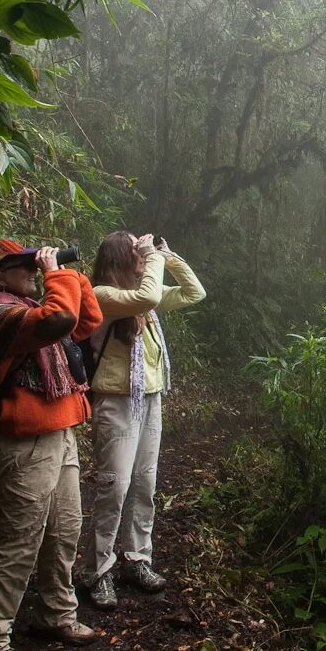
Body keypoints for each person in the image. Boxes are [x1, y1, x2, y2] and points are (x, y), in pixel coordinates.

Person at [0, 239, 104, 651]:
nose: (30, 270)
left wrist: (71, 274)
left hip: (60, 433)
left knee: (65, 529)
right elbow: (59, 319)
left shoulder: (27, 309)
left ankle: (55, 613)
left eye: (31, 263)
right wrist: (54, 277)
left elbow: (86, 322)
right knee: (19, 540)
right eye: (20, 266)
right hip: (25, 443)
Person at [80, 231, 206, 609]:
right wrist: (152, 258)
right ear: (121, 259)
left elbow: (193, 292)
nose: (142, 258)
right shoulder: (104, 296)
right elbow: (147, 295)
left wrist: (167, 255)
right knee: (114, 487)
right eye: (137, 253)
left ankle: (137, 559)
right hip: (116, 403)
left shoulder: (140, 301)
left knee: (144, 484)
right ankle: (98, 571)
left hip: (149, 399)